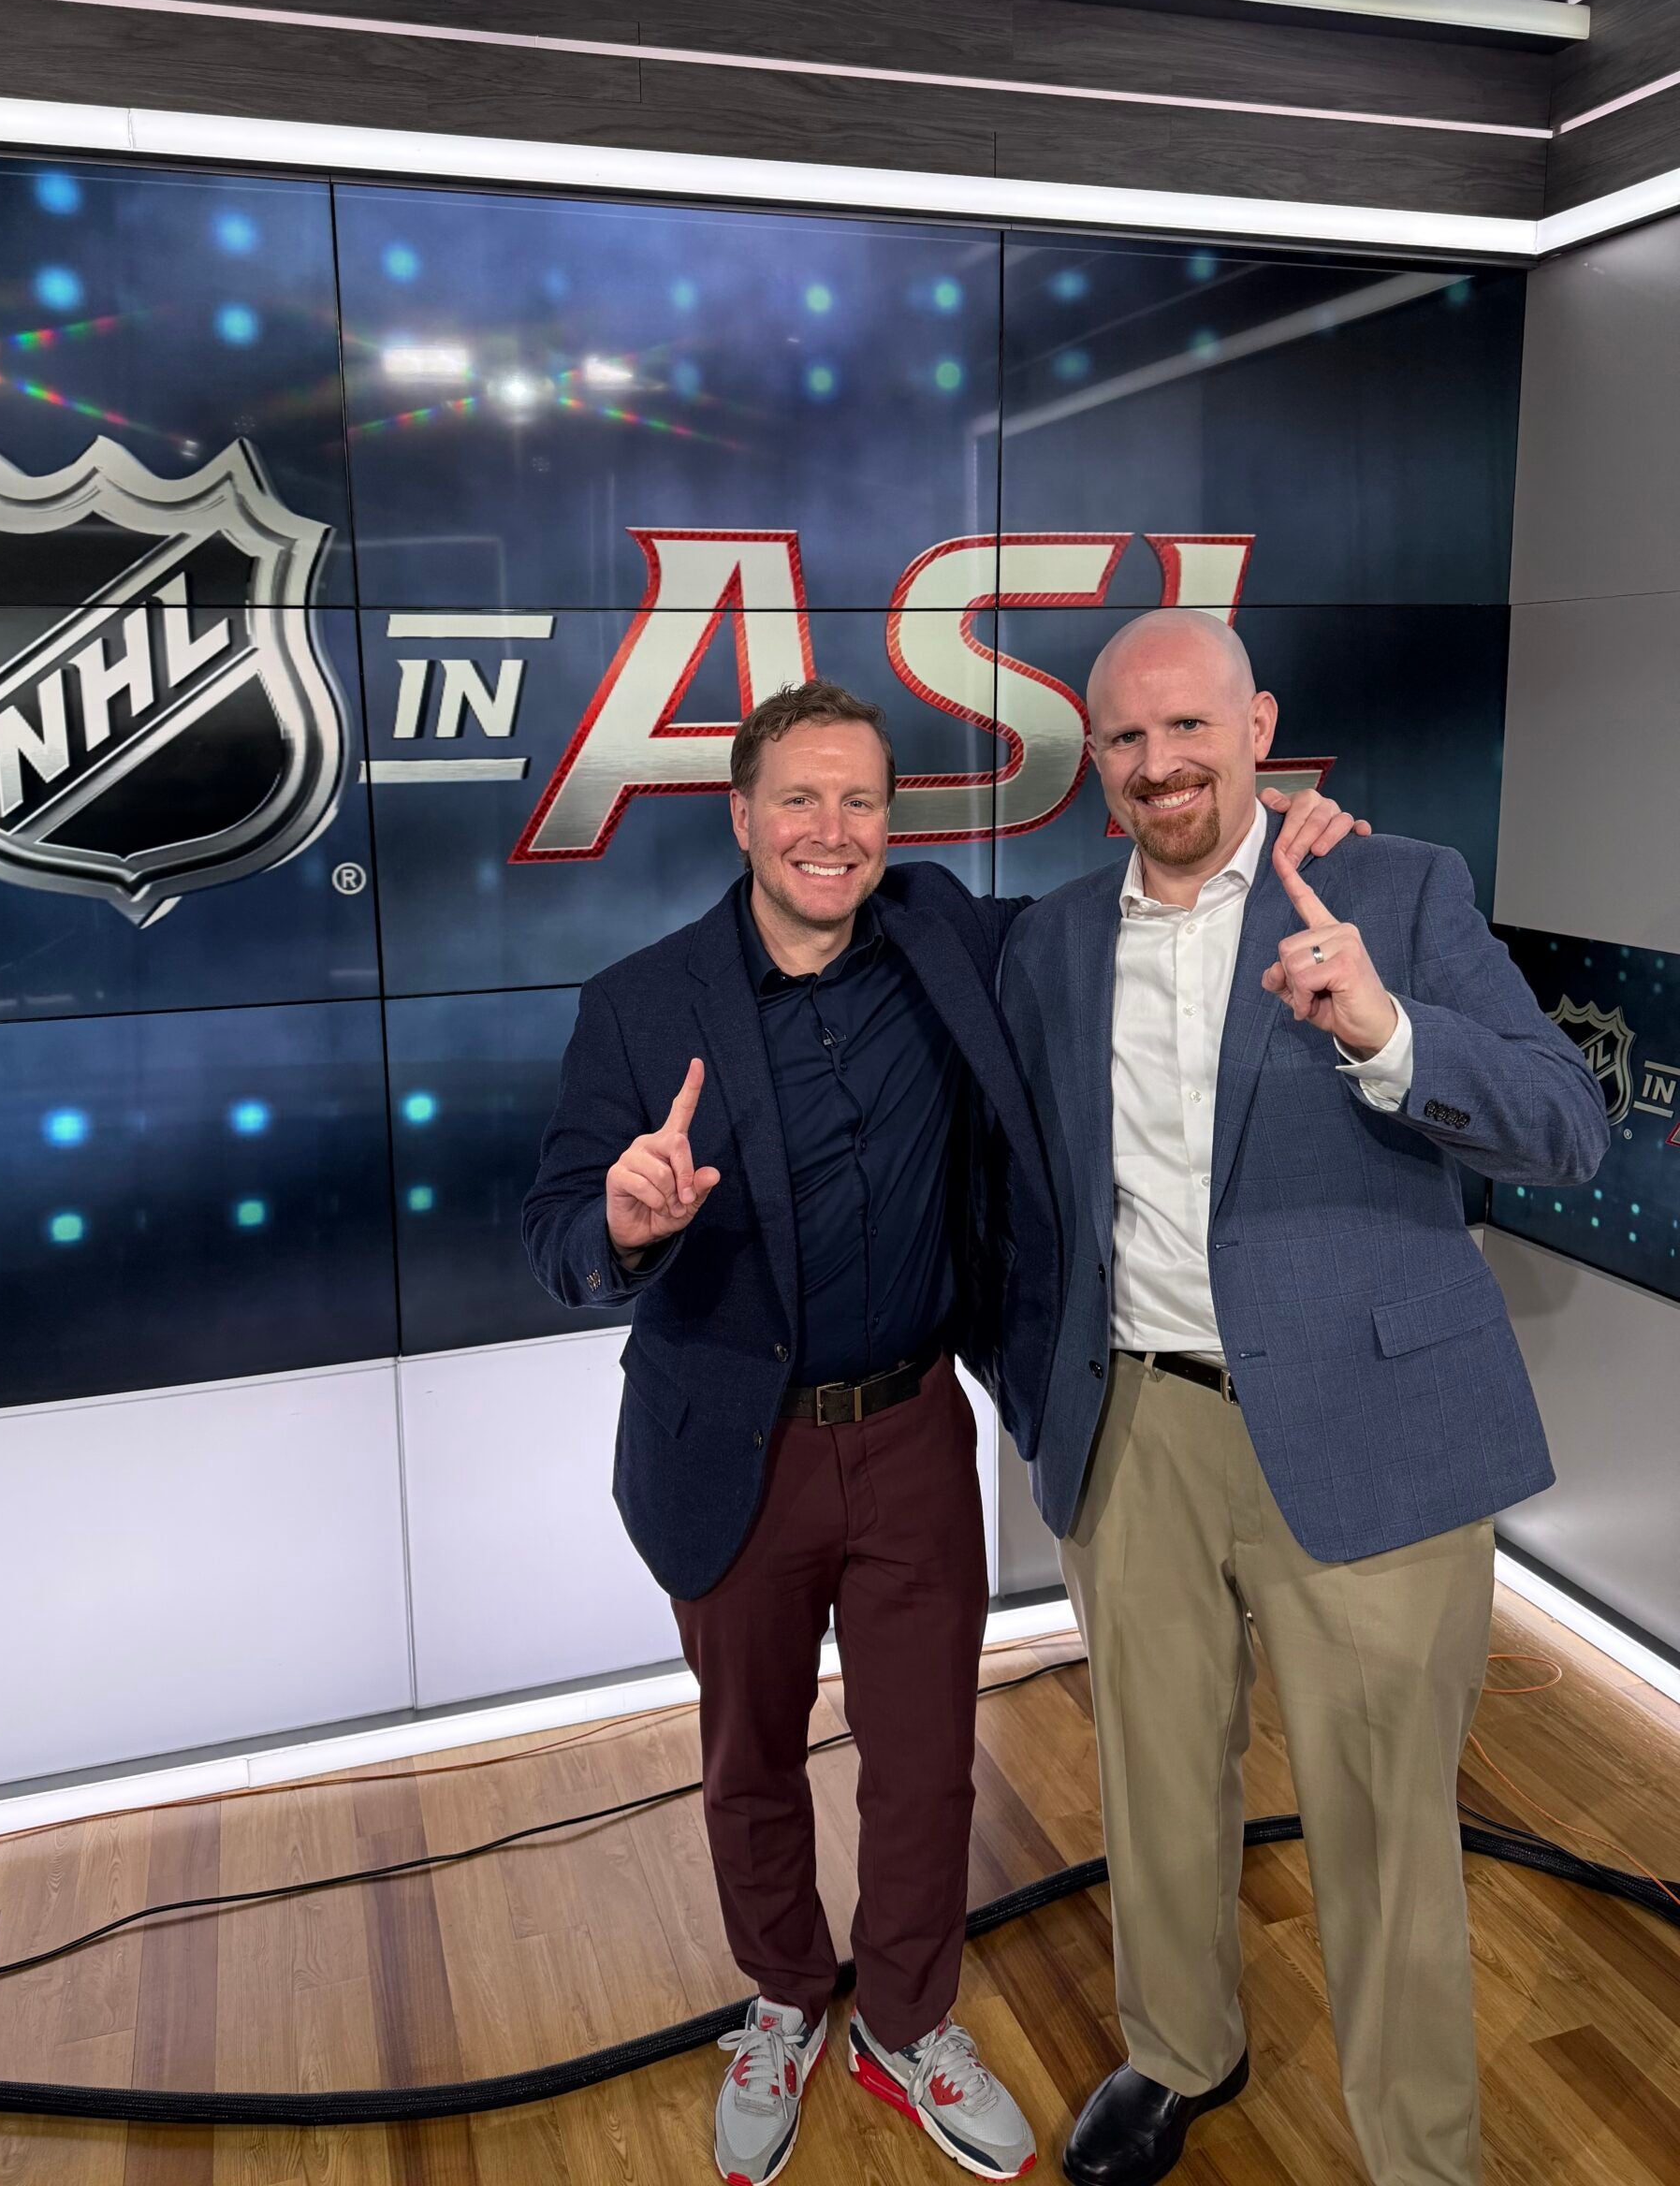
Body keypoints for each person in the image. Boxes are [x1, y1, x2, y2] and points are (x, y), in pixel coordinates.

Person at [523, 677, 1356, 2186]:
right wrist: (620, 1225)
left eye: (859, 801)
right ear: (742, 815)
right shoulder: (639, 1005)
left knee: (927, 1765)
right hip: (731, 1446)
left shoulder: (953, 940)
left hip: (912, 1427)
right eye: (799, 800)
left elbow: (1158, 891)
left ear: (889, 823)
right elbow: (555, 1232)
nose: (830, 832)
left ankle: (907, 2021)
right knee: (748, 1761)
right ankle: (785, 2001)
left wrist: (1298, 837)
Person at [995, 610, 1609, 2186]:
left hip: (1373, 1437)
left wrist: (1388, 1034)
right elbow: (1029, 1202)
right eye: (1126, 739)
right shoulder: (1053, 938)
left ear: (1259, 725)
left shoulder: (1398, 888)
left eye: (1189, 727)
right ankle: (1176, 2051)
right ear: (1097, 762)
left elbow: (1564, 1122)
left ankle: (1421, 2153)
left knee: (1389, 1831)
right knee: (1153, 1777)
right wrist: (1036, 1395)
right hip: (1135, 1432)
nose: (1160, 763)